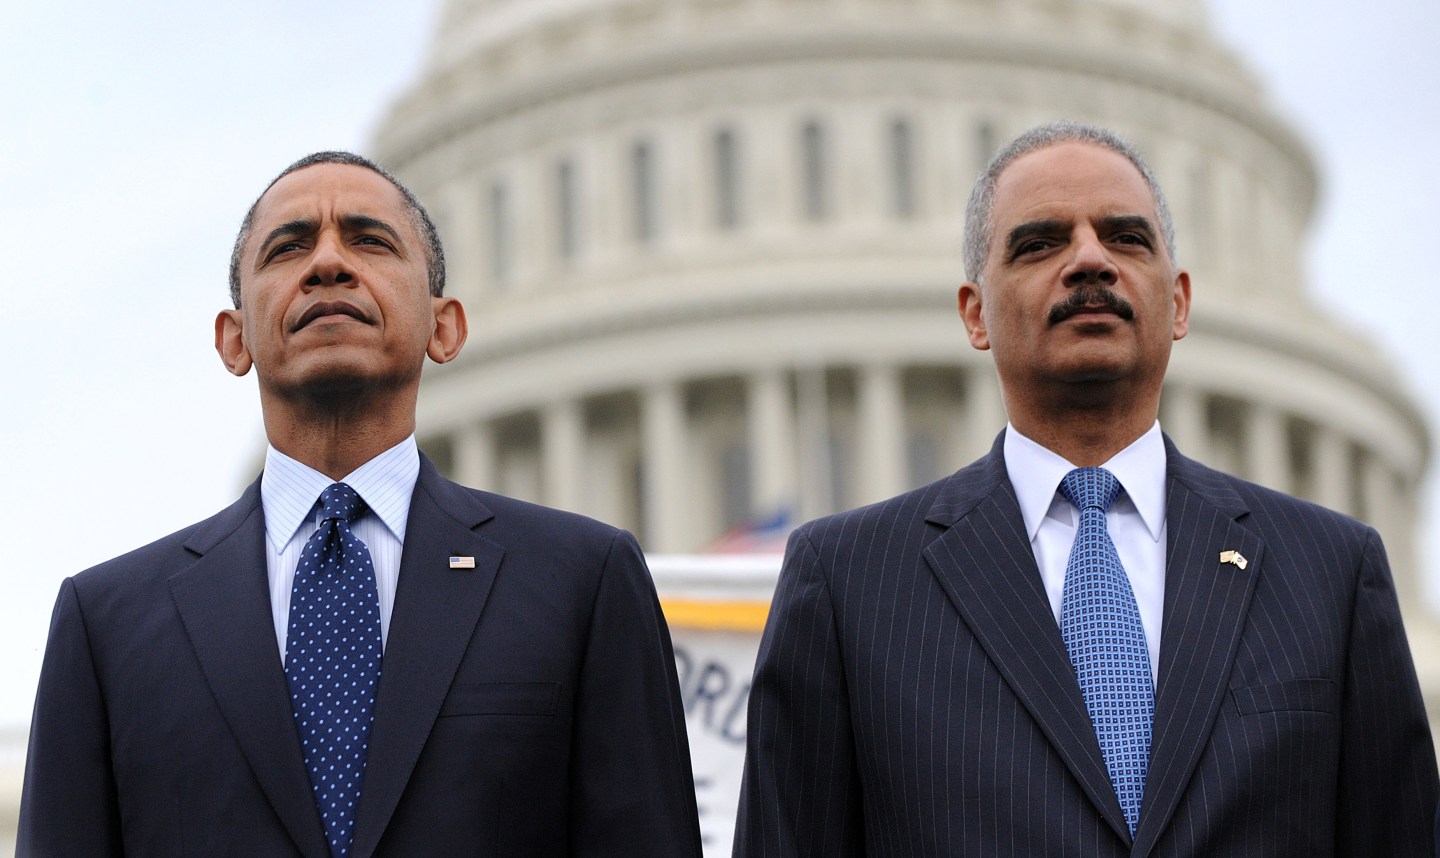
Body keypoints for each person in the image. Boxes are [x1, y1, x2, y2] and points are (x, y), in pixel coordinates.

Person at [734, 121, 1438, 856]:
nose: (1090, 260)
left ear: (1180, 302)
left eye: (1127, 238)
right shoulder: (850, 585)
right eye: (1040, 243)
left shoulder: (1328, 573)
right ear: (974, 313)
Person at [19, 152, 702, 857]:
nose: (327, 265)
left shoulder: (580, 583)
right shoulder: (107, 624)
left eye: (369, 240)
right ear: (234, 340)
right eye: (288, 248)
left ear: (446, 328)